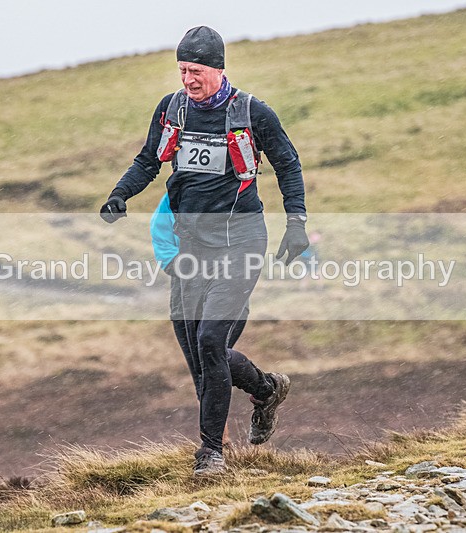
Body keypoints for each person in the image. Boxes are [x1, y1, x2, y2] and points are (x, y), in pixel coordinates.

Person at [100, 26, 309, 476]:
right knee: (201, 356)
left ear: (217, 68)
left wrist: (297, 224)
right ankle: (266, 389)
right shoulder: (172, 108)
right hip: (192, 248)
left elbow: (288, 165)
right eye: (181, 70)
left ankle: (211, 454)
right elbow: (148, 160)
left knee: (211, 342)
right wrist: (121, 194)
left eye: (195, 71)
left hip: (241, 243)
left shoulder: (253, 112)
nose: (187, 80)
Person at [150, 192, 248, 447]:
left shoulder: (237, 193)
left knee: (213, 360)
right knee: (203, 371)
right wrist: (183, 267)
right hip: (185, 295)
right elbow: (160, 230)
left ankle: (262, 387)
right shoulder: (179, 191)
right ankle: (219, 443)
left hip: (228, 290)